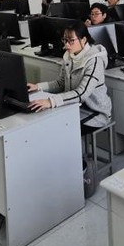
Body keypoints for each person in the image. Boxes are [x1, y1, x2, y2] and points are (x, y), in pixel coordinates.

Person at [27, 21, 112, 198]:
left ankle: (78, 171)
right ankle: (61, 170)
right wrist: (38, 87)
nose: (66, 44)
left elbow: (81, 93)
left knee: (64, 129)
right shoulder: (69, 55)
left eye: (70, 40)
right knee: (49, 124)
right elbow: (60, 83)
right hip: (73, 107)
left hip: (95, 112)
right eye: (64, 40)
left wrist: (51, 101)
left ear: (83, 40)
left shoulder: (94, 60)